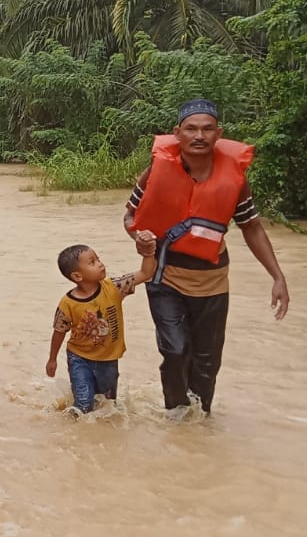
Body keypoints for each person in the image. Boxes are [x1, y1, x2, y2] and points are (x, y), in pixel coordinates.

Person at [124, 99, 290, 416]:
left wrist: (277, 277)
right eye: (191, 128)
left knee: (206, 363)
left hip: (212, 283)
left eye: (207, 128)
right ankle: (177, 418)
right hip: (165, 277)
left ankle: (201, 421)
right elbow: (131, 216)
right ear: (178, 133)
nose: (199, 135)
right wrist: (139, 238)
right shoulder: (156, 171)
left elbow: (252, 228)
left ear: (218, 134)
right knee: (175, 350)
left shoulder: (235, 181)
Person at [46, 236, 156, 414]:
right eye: (92, 262)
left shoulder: (114, 287)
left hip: (108, 360)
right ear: (77, 276)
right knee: (83, 405)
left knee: (107, 406)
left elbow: (145, 273)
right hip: (79, 358)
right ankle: (73, 436)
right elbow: (59, 331)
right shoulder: (68, 303)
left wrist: (148, 252)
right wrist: (52, 359)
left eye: (98, 259)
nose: (100, 264)